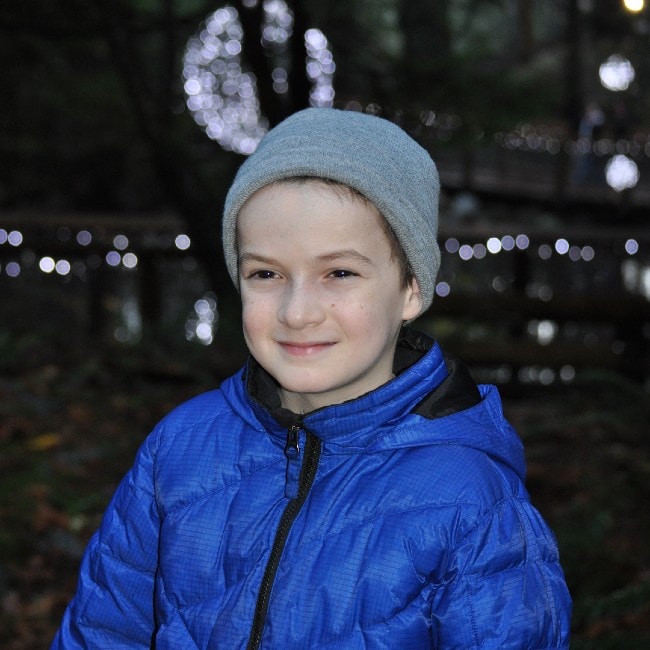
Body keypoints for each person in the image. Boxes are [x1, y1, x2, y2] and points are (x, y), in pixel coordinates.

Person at [51, 108, 571, 648]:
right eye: (266, 274)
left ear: (412, 288)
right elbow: (102, 632)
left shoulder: (471, 502)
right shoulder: (177, 450)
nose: (298, 312)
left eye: (339, 273)